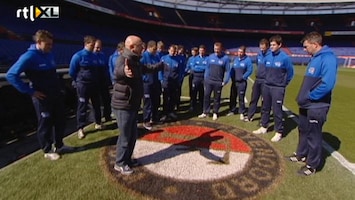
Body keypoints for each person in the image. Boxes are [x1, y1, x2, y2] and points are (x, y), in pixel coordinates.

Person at [6, 30, 70, 160]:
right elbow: (11, 75)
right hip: (42, 98)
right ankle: (47, 150)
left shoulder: (49, 54)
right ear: (39, 42)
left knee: (60, 120)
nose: (50, 47)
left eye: (51, 44)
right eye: (48, 44)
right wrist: (31, 92)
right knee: (45, 123)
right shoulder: (29, 56)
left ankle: (59, 145)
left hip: (55, 95)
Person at [111, 35, 164, 175]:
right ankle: (120, 163)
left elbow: (146, 68)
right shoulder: (124, 59)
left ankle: (127, 159)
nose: (143, 47)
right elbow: (118, 71)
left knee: (133, 134)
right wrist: (124, 71)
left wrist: (160, 66)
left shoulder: (136, 60)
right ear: (132, 47)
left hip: (132, 104)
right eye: (141, 45)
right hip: (123, 105)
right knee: (125, 135)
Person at [288, 31, 338, 176]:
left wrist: (310, 96)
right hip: (306, 104)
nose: (305, 49)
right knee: (303, 130)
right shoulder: (314, 58)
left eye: (306, 46)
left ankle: (312, 165)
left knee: (314, 136)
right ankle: (301, 154)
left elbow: (327, 84)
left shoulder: (328, 59)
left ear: (315, 44)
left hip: (317, 105)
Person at [252, 35, 294, 142]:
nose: (271, 47)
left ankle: (279, 132)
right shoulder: (268, 57)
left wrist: (283, 84)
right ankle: (264, 126)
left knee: (277, 110)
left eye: (274, 45)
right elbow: (265, 70)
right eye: (270, 45)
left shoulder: (285, 58)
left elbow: (290, 73)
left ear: (280, 45)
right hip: (267, 86)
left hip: (278, 88)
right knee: (265, 108)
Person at [69, 35, 102, 139]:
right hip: (83, 85)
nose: (93, 48)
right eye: (92, 45)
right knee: (82, 106)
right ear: (86, 44)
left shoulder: (95, 56)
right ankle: (80, 128)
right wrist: (79, 81)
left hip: (94, 85)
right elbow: (72, 72)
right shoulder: (78, 56)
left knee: (97, 104)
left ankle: (98, 122)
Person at [198, 42, 230, 121]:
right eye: (215, 49)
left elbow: (228, 71)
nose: (216, 50)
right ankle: (205, 112)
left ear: (221, 49)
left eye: (217, 49)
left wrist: (225, 81)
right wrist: (206, 78)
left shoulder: (225, 58)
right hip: (209, 81)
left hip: (218, 82)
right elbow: (207, 68)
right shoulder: (210, 57)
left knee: (217, 98)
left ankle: (215, 112)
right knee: (206, 96)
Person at [244, 38, 271, 122]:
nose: (261, 48)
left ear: (267, 47)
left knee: (264, 101)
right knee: (254, 98)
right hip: (257, 80)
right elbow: (257, 63)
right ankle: (250, 116)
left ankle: (263, 119)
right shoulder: (259, 55)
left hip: (265, 81)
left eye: (263, 47)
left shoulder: (271, 56)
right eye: (260, 46)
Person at [159, 44, 185, 121]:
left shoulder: (178, 60)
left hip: (174, 82)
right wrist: (161, 79)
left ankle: (171, 112)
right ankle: (164, 113)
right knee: (165, 98)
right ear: (169, 50)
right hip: (166, 81)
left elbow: (181, 71)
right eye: (171, 51)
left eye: (174, 51)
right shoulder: (164, 58)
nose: (173, 52)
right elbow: (160, 70)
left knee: (173, 97)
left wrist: (180, 79)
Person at [227, 45, 253, 120]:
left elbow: (249, 70)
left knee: (241, 98)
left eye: (241, 52)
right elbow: (232, 69)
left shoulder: (247, 60)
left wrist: (243, 77)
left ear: (244, 52)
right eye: (239, 51)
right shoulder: (235, 59)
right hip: (234, 82)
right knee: (232, 96)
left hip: (242, 83)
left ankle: (242, 112)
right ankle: (232, 110)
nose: (239, 53)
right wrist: (231, 78)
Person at [140, 40, 162, 130]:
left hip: (155, 82)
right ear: (149, 47)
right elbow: (141, 69)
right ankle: (146, 120)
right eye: (154, 49)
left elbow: (159, 67)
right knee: (147, 102)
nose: (156, 50)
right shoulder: (143, 56)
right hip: (147, 83)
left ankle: (155, 118)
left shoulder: (156, 56)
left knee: (156, 101)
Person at [93, 39, 112, 122]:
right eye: (97, 47)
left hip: (103, 81)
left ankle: (107, 116)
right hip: (95, 82)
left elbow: (107, 67)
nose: (98, 49)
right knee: (96, 102)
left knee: (107, 100)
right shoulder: (91, 56)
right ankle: (97, 120)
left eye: (100, 47)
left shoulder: (103, 55)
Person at [188, 45, 207, 111]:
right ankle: (192, 106)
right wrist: (202, 68)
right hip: (195, 77)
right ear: (199, 51)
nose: (201, 52)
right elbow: (193, 68)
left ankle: (201, 106)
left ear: (204, 51)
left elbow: (207, 68)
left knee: (202, 92)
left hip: (203, 78)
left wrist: (198, 67)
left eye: (202, 50)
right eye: (200, 50)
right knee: (194, 92)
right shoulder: (195, 58)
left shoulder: (207, 58)